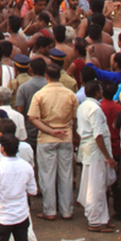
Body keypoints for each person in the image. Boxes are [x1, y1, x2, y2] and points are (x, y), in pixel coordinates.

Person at [26, 58, 76, 221]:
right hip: (66, 136)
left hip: (46, 138)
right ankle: (67, 210)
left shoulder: (40, 95)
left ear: (46, 76)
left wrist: (50, 130)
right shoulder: (70, 94)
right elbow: (74, 118)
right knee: (66, 176)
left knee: (47, 175)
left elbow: (33, 117)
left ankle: (50, 211)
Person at [76, 81, 116, 233]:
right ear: (97, 93)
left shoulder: (83, 107)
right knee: (96, 186)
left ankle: (102, 219)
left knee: (96, 185)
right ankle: (95, 221)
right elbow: (98, 135)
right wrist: (108, 157)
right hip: (96, 151)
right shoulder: (94, 109)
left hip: (89, 149)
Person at [0, 136, 36, 241]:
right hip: (21, 215)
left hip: (2, 216)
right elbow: (33, 191)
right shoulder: (26, 167)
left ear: (2, 149)